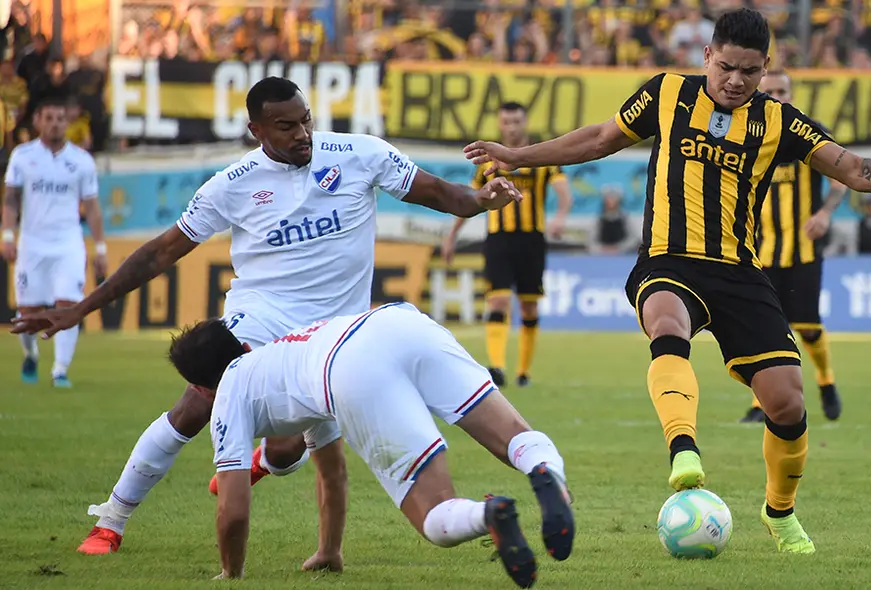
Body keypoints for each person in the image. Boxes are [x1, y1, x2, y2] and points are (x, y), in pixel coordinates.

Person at [463, 7, 871, 554]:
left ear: (765, 66)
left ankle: (780, 512)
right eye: (726, 67)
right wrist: (518, 156)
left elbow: (848, 167)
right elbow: (599, 139)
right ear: (707, 55)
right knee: (664, 318)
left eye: (749, 71)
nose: (735, 81)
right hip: (668, 258)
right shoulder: (667, 94)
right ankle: (684, 451)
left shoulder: (779, 120)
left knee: (788, 404)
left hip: (739, 271)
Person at [11, 77, 523, 557]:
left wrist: (481, 200)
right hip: (261, 320)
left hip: (337, 336)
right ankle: (112, 519)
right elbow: (160, 253)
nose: (302, 134)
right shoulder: (232, 184)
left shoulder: (360, 154)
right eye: (287, 126)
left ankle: (270, 469)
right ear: (256, 130)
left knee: (285, 453)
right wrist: (81, 307)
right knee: (195, 404)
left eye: (306, 120)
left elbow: (439, 193)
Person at [167, 302, 574, 587]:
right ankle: (545, 473)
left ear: (202, 388)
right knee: (513, 435)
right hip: (397, 322)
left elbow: (233, 508)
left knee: (434, 515)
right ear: (243, 347)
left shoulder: (228, 394)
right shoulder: (285, 353)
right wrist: (329, 552)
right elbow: (330, 471)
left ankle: (491, 513)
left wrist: (230, 574)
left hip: (348, 368)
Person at [739, 70, 847, 424]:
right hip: (758, 252)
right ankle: (761, 404)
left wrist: (825, 213)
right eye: (769, 91)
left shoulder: (808, 133)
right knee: (763, 329)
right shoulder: (745, 131)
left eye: (781, 91)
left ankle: (827, 381)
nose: (776, 96)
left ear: (791, 93)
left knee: (808, 326)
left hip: (802, 250)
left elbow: (841, 179)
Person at [441, 102, 573, 388]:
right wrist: (451, 237)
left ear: (524, 123)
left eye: (516, 121)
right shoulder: (488, 162)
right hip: (498, 239)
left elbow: (564, 192)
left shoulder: (541, 157)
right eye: (506, 122)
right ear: (499, 125)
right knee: (498, 300)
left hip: (532, 240)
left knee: (528, 308)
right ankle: (497, 367)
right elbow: (471, 201)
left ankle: (524, 371)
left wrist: (561, 217)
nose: (511, 127)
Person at [1, 97, 107, 387]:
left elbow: (93, 208)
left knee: (69, 305)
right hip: (32, 243)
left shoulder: (82, 161)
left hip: (68, 244)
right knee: (28, 311)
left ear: (67, 122)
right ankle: (31, 353)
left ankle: (60, 369)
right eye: (49, 118)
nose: (55, 123)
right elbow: (10, 199)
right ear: (38, 121)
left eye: (60, 118)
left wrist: (100, 247)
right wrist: (7, 234)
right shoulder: (23, 156)